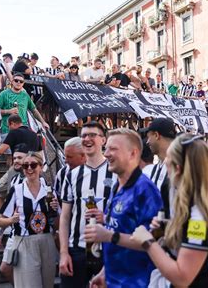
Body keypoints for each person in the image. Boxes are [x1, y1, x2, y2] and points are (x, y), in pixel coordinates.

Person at [130, 134, 208, 287]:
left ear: (178, 169)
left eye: (168, 159)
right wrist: (168, 228)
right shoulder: (196, 202)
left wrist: (147, 241)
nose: (165, 164)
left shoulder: (199, 216)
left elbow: (182, 277)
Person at [85, 128, 163, 287]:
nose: (106, 154)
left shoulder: (145, 190)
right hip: (113, 281)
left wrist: (108, 236)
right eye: (106, 148)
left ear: (133, 153)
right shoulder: (117, 186)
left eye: (113, 149)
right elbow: (120, 228)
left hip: (138, 282)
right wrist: (104, 273)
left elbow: (154, 242)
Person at [59, 122, 117, 288]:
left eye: (92, 135)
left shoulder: (115, 172)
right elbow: (65, 217)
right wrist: (63, 253)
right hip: (76, 249)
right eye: (83, 135)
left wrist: (105, 218)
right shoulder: (71, 175)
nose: (87, 139)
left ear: (103, 140)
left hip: (107, 250)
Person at [0, 152, 59, 288]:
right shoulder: (17, 190)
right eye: (26, 166)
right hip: (25, 242)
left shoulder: (49, 190)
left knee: (47, 284)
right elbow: (0, 220)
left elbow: (58, 220)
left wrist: (55, 208)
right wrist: (11, 220)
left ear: (41, 167)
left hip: (47, 241)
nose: (29, 169)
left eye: (33, 165)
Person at [0, 144, 28, 285]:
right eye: (14, 158)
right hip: (16, 231)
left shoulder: (38, 178)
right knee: (5, 269)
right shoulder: (14, 179)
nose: (16, 161)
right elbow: (8, 210)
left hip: (30, 234)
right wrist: (3, 230)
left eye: (20, 158)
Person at [0, 72, 49, 137]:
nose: (18, 82)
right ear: (12, 82)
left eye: (21, 81)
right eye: (16, 80)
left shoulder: (25, 95)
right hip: (7, 130)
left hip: (23, 130)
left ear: (23, 83)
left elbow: (34, 110)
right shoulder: (4, 94)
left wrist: (43, 122)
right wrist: (8, 111)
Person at [144, 117, 176, 217]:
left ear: (157, 135)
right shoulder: (156, 168)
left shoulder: (179, 167)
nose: (147, 142)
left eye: (149, 137)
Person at [53, 137, 86, 201]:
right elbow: (57, 196)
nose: (65, 161)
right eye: (65, 156)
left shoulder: (97, 172)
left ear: (83, 155)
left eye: (69, 157)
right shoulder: (62, 173)